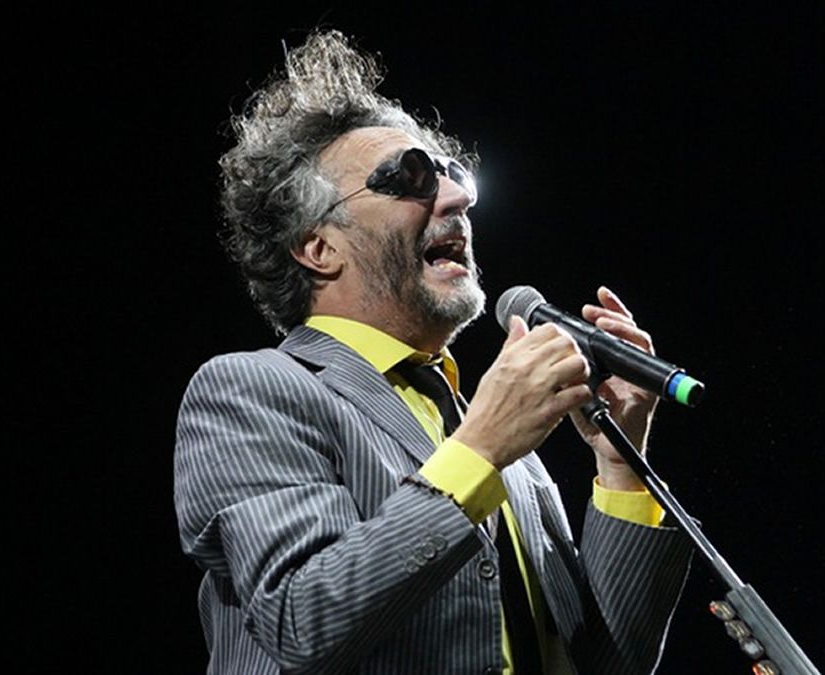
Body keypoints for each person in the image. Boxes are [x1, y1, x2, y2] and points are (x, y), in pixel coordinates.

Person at [174, 30, 693, 675]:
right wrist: (481, 449)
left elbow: (607, 666)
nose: (457, 197)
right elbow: (301, 620)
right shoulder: (251, 391)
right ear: (319, 248)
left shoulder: (502, 447)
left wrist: (620, 465)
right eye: (409, 177)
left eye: (453, 175)